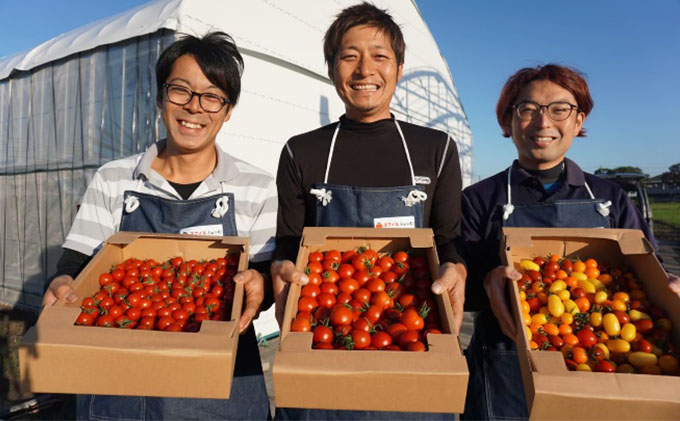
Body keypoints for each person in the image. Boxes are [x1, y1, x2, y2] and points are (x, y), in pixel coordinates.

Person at [42, 32, 276, 420]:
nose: (194, 108)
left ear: (228, 109)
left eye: (212, 96)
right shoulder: (114, 178)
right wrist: (62, 284)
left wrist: (260, 285)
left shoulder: (256, 186)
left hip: (222, 384)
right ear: (159, 96)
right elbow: (75, 265)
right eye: (180, 90)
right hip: (120, 379)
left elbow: (262, 276)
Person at [271, 3, 465, 420]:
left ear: (399, 67)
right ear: (331, 68)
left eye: (379, 56)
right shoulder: (301, 151)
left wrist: (457, 270)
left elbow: (448, 239)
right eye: (349, 55)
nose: (364, 70)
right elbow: (289, 240)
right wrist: (281, 269)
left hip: (409, 331)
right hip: (326, 336)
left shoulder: (436, 149)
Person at [459, 63, 679, 420]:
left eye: (560, 109)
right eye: (527, 109)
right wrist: (488, 284)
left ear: (578, 122)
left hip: (601, 362)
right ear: (507, 122)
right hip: (505, 364)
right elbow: (459, 291)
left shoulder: (610, 197)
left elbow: (648, 274)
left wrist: (669, 287)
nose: (543, 123)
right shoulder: (479, 199)